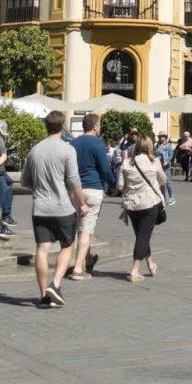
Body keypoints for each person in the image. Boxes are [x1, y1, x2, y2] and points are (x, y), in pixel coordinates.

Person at [21, 110, 90, 308]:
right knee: (67, 246)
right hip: (62, 208)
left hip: (40, 208)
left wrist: (41, 184)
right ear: (62, 126)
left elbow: (25, 181)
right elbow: (74, 180)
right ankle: (56, 284)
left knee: (42, 249)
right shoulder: (67, 150)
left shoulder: (34, 150)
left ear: (46, 126)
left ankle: (44, 296)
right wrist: (82, 203)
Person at [69, 113, 113, 281]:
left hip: (75, 190)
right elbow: (105, 169)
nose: (99, 128)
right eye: (99, 125)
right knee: (86, 230)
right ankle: (78, 268)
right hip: (93, 189)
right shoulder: (97, 143)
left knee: (81, 226)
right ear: (95, 127)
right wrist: (114, 184)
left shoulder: (73, 143)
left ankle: (88, 259)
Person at [117, 130, 166, 282]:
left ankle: (150, 264)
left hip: (131, 205)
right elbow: (163, 180)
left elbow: (120, 185)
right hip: (149, 203)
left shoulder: (126, 163)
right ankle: (135, 270)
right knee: (143, 236)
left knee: (141, 235)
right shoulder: (154, 162)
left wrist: (131, 188)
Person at [153, 132, 176, 205]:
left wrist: (167, 160)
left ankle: (172, 197)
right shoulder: (157, 145)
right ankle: (162, 197)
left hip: (166, 165)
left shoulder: (168, 145)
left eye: (162, 136)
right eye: (159, 137)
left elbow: (171, 155)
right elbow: (155, 153)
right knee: (159, 181)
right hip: (158, 164)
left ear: (165, 137)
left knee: (167, 180)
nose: (160, 138)